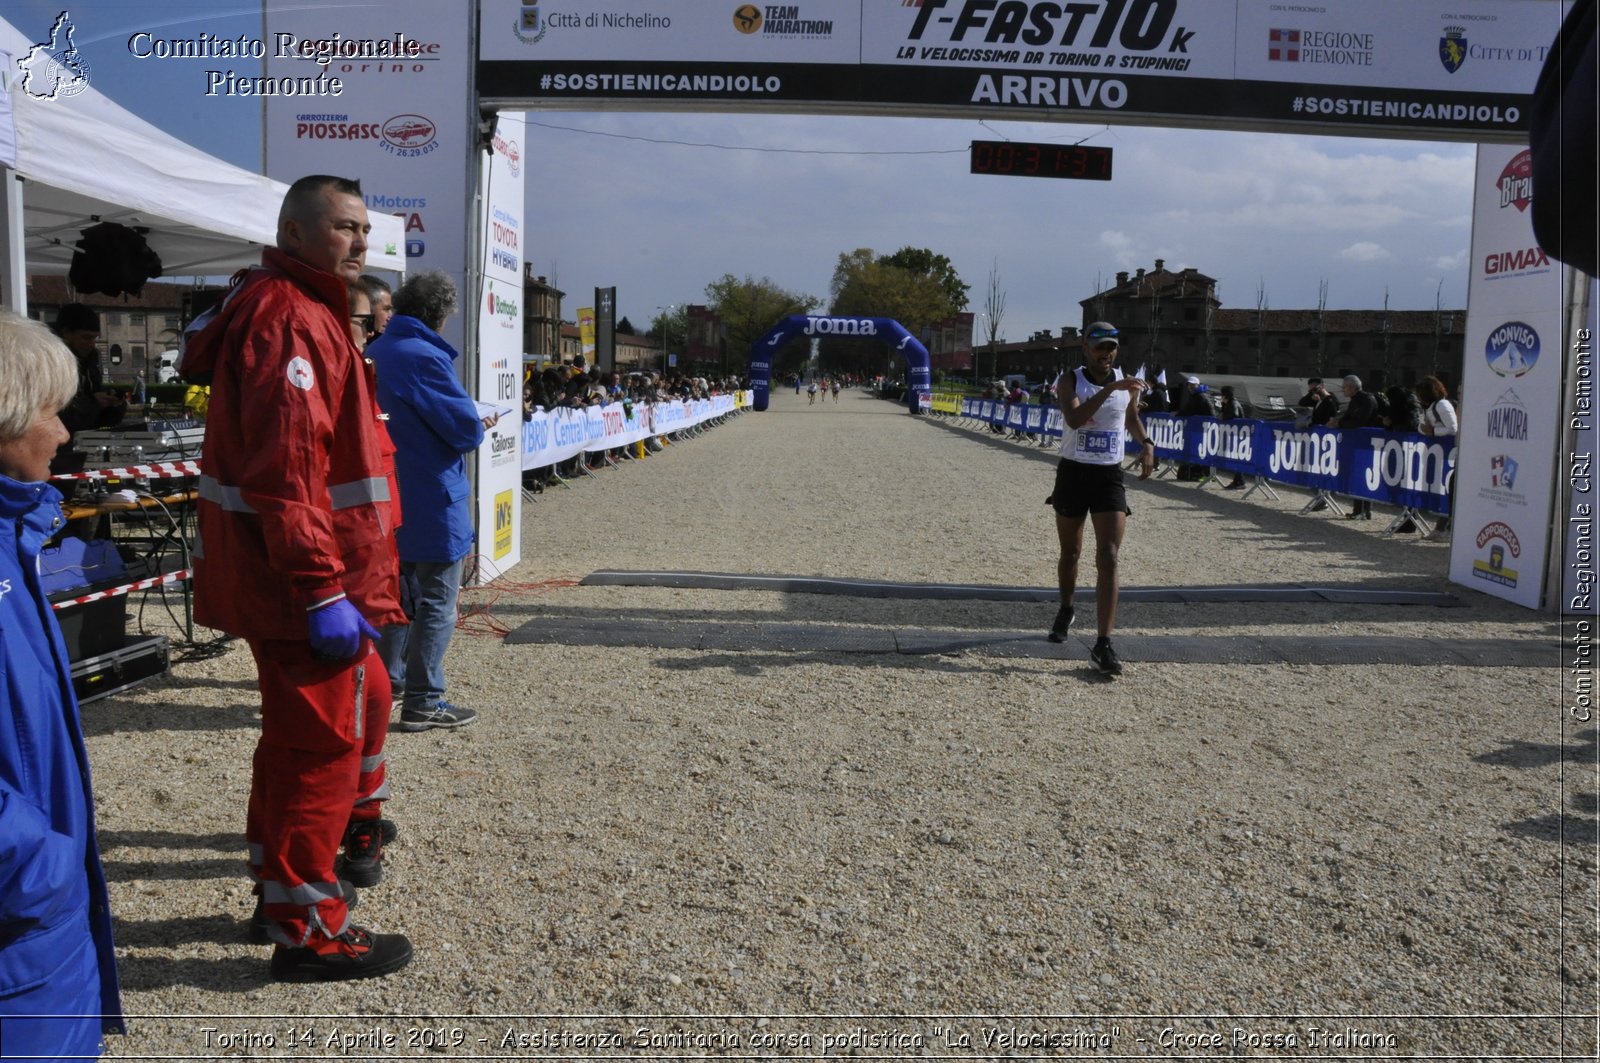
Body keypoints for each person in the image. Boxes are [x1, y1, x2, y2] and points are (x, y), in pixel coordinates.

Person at [182, 174, 412, 982]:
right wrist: (320, 587)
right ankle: (309, 927)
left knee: (327, 727)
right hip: (305, 586)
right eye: (345, 227)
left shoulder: (302, 310)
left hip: (315, 582)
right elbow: (289, 471)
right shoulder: (291, 318)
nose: (360, 244)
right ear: (297, 229)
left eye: (364, 230)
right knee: (319, 748)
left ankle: (279, 889)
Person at [0, 310, 124, 1057]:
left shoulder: (15, 539)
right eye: (51, 411)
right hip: (19, 933)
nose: (64, 434)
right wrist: (40, 868)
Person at [370, 270, 491, 733]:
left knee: (394, 595)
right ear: (441, 316)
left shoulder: (375, 351)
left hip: (385, 494)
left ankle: (390, 682)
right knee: (439, 598)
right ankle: (424, 699)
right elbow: (464, 429)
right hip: (428, 493)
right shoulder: (424, 357)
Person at [1047, 321, 1153, 676]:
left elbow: (1131, 416)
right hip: (1073, 473)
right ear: (1086, 350)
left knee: (1108, 556)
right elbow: (1075, 418)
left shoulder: (1126, 384)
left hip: (1108, 475)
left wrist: (1146, 443)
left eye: (1111, 348)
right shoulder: (1070, 380)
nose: (1106, 354)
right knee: (1071, 553)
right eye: (1099, 348)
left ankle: (1103, 644)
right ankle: (1066, 608)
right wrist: (1111, 390)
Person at [48, 303, 126, 474]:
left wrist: (114, 406)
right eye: (85, 338)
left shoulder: (90, 360)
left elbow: (96, 417)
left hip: (83, 444)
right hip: (55, 450)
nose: (91, 344)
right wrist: (93, 402)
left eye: (94, 338)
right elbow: (55, 412)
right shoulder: (48, 361)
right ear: (66, 333)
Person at [1216, 385, 1247, 489]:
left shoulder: (1232, 404)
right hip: (1236, 435)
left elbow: (1229, 417)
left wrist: (1223, 411)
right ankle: (1238, 480)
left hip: (1237, 435)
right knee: (1235, 458)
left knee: (1236, 458)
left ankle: (1239, 481)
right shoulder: (1231, 403)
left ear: (1225, 395)